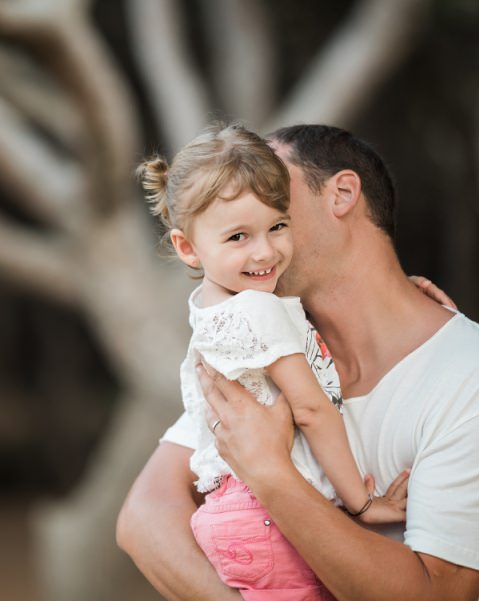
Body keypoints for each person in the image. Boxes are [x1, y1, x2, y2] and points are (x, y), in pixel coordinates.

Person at [117, 125, 479, 601]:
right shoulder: (264, 351)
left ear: (341, 194)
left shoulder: (478, 381)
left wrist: (270, 474)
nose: (251, 210)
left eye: (271, 187)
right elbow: (144, 515)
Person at [136, 122, 408, 600]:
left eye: (278, 226)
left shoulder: (209, 306)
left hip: (229, 512)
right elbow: (309, 409)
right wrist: (362, 503)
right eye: (239, 236)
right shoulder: (258, 309)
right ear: (186, 247)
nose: (265, 252)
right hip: (267, 515)